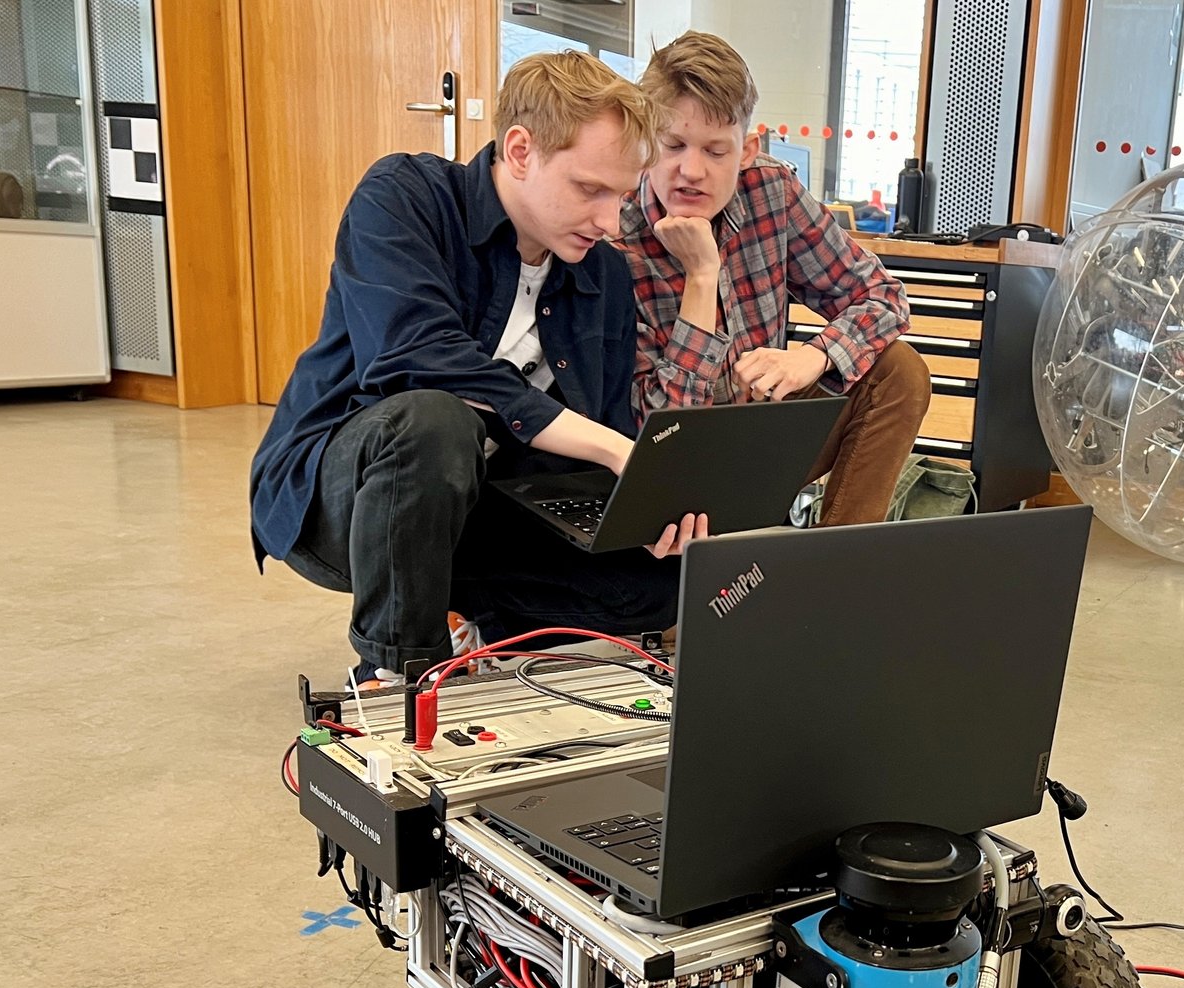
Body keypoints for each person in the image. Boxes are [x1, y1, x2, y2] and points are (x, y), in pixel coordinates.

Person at [248, 53, 705, 689]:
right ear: (520, 150)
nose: (609, 221)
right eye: (589, 188)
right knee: (434, 420)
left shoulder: (601, 272)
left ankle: (475, 621)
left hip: (486, 511)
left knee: (669, 578)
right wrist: (610, 447)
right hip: (345, 504)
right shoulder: (404, 197)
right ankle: (398, 673)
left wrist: (649, 514)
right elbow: (415, 357)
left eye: (623, 196)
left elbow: (599, 424)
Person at [618, 31, 930, 526]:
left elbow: (883, 297)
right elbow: (656, 428)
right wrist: (702, 274)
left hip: (761, 436)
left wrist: (814, 355)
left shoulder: (771, 191)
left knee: (899, 371)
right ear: (644, 141)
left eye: (716, 151)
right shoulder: (615, 233)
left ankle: (836, 568)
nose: (690, 170)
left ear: (747, 150)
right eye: (672, 144)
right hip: (668, 466)